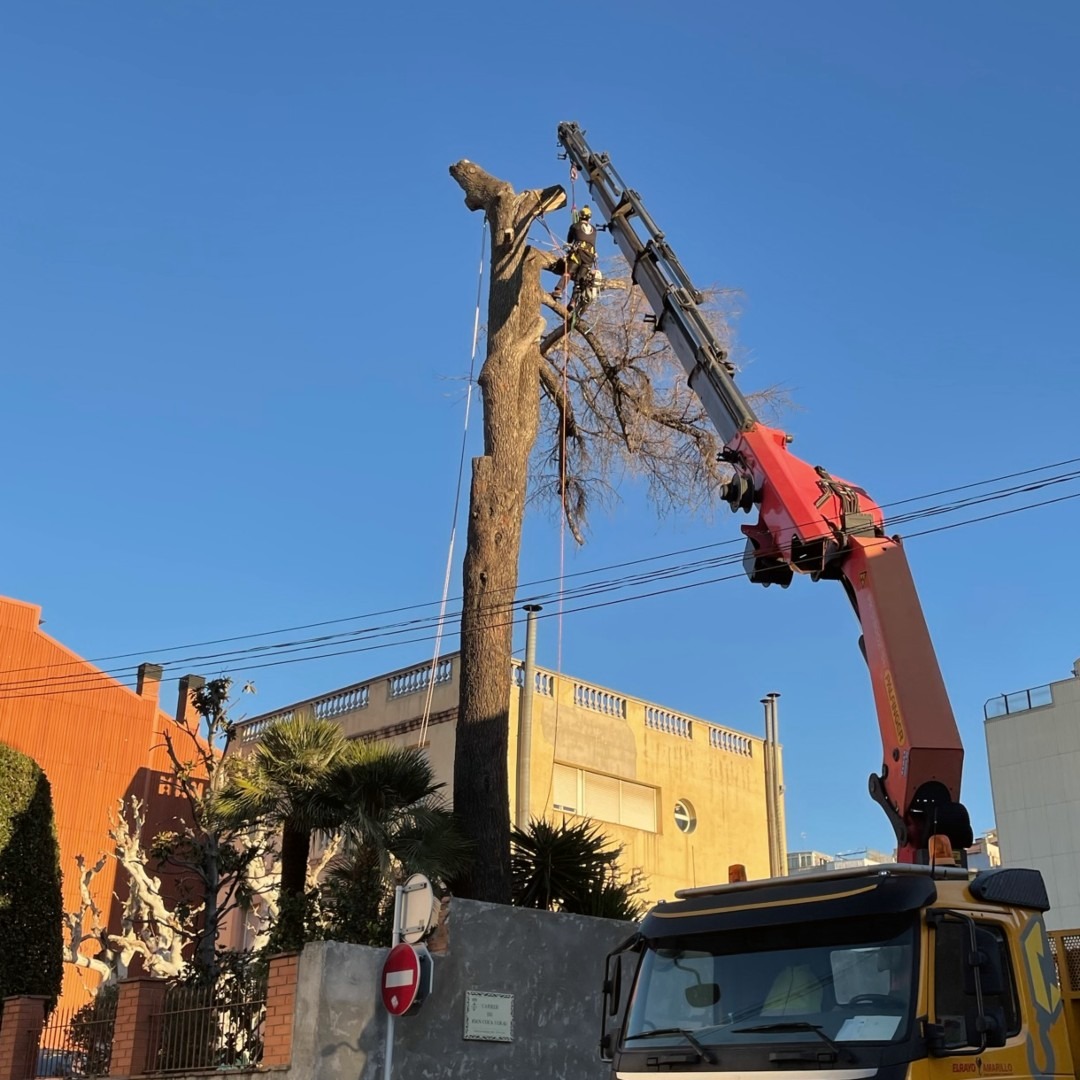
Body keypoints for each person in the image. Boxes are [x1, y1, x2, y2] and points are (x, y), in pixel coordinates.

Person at [552, 206, 601, 310]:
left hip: (578, 253)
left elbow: (570, 240)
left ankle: (558, 291)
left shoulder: (575, 226)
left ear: (579, 216)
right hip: (590, 256)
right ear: (589, 218)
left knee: (568, 272)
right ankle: (573, 302)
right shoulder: (594, 230)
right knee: (579, 280)